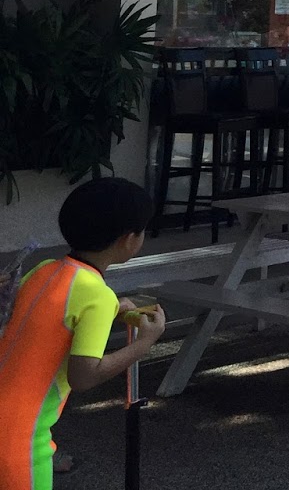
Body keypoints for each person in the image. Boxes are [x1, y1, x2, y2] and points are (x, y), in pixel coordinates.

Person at [0, 178, 168, 490]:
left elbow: (51, 321)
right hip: (17, 439)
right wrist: (144, 343)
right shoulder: (96, 296)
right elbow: (84, 376)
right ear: (129, 239)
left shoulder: (44, 269)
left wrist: (111, 310)